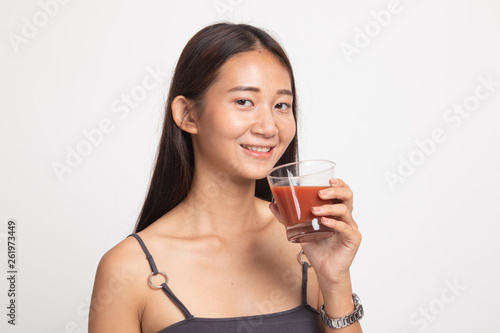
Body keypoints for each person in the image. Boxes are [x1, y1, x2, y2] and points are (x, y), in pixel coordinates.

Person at [89, 23, 363, 332]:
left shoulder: (306, 243)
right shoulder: (128, 269)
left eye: (282, 105)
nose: (269, 127)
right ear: (188, 114)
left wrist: (335, 279)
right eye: (244, 101)